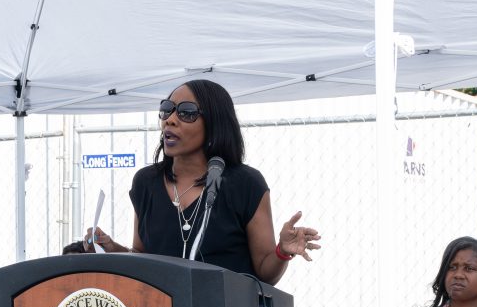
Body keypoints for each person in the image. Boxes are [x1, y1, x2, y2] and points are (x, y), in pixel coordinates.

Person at [87, 79, 319, 281]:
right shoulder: (146, 182)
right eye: (167, 109)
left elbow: (264, 271)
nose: (170, 120)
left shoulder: (245, 183)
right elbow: (142, 257)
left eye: (186, 112)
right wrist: (111, 249)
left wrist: (282, 251)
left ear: (215, 123)